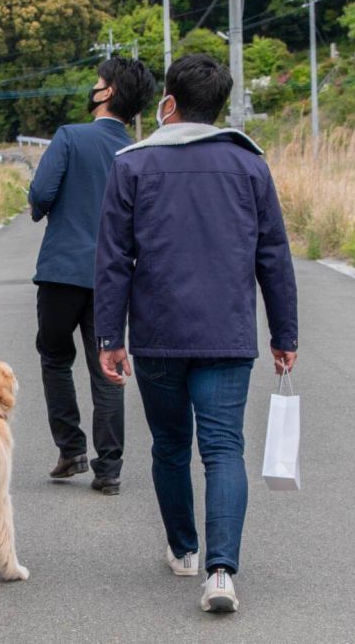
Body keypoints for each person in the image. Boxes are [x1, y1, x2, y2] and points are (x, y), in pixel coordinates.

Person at [94, 54, 298, 612]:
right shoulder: (250, 165)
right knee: (224, 448)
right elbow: (273, 255)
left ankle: (184, 550)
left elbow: (113, 259)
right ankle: (222, 572)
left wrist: (109, 336)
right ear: (219, 106)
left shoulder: (132, 165)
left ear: (170, 102)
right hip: (228, 334)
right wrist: (285, 332)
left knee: (170, 446)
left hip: (158, 333)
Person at [28, 57, 156, 495]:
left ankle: (71, 448)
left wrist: (42, 208)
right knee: (108, 366)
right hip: (113, 277)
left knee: (54, 356)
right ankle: (110, 469)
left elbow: (41, 194)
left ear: (109, 93)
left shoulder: (70, 137)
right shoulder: (139, 152)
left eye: (98, 83)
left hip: (62, 271)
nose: (93, 87)